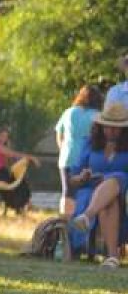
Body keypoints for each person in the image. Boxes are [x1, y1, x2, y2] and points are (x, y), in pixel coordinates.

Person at [67, 102, 128, 268]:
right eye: (107, 126)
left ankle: (87, 215)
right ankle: (112, 257)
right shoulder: (90, 143)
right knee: (109, 201)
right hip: (94, 191)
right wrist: (81, 177)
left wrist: (109, 177)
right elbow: (73, 178)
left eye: (116, 127)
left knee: (117, 177)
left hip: (123, 190)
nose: (110, 130)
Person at [55, 85, 103, 216]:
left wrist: (64, 149)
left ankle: (64, 222)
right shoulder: (98, 116)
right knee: (87, 191)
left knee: (67, 191)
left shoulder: (69, 112)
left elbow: (59, 134)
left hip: (66, 156)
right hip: (87, 158)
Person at [0, 128, 38, 213]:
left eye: (6, 137)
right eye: (2, 136)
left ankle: (21, 206)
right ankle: (22, 206)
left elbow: (8, 160)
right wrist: (31, 157)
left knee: (17, 182)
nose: (4, 138)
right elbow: (14, 154)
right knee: (19, 184)